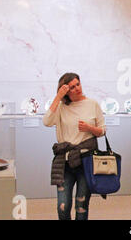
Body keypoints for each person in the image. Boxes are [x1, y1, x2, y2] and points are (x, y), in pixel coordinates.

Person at [43, 72, 106, 220]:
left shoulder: (93, 104)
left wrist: (90, 128)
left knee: (81, 205)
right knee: (63, 206)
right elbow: (46, 121)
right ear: (65, 91)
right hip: (65, 162)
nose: (77, 88)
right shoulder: (61, 107)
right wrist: (58, 97)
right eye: (72, 87)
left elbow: (102, 131)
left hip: (86, 162)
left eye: (78, 84)